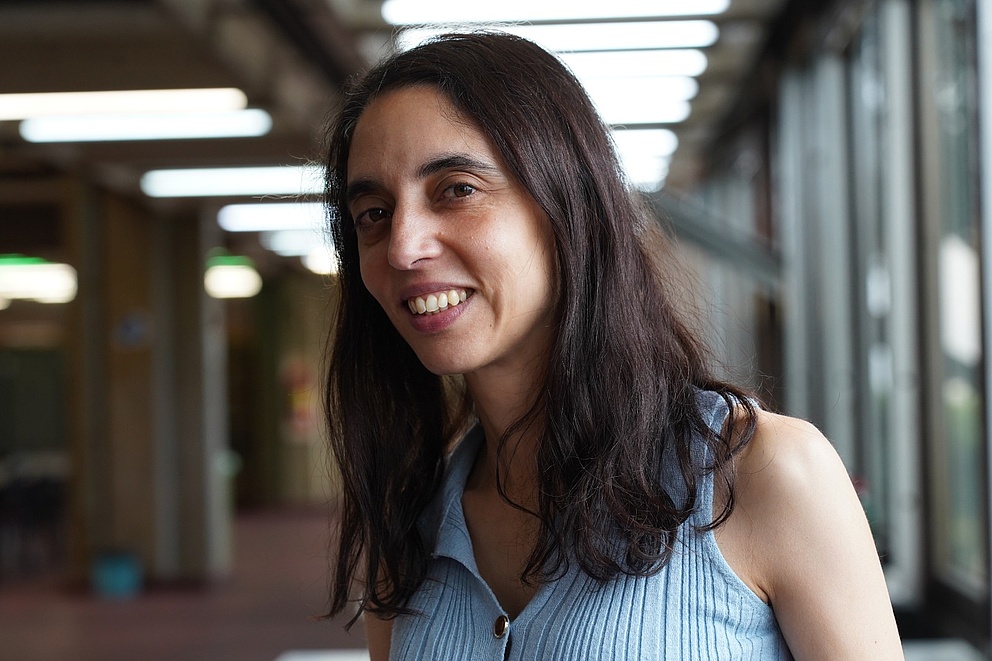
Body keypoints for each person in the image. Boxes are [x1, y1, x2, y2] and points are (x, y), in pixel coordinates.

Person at [321, 31, 903, 660]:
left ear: (570, 207)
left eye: (457, 190)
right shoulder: (409, 526)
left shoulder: (763, 473)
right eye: (374, 214)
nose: (404, 247)